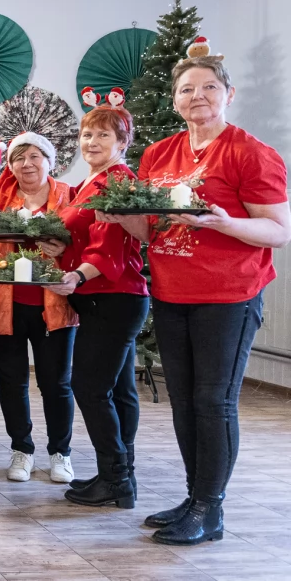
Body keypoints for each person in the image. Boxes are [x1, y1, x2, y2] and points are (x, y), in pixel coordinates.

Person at [117, 48, 290, 544]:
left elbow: (279, 231)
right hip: (172, 292)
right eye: (188, 89)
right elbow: (150, 232)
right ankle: (195, 496)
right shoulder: (159, 154)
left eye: (209, 87)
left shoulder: (249, 152)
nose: (198, 97)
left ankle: (211, 509)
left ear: (228, 94)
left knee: (213, 401)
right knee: (184, 403)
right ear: (175, 100)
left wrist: (223, 222)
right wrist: (120, 216)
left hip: (229, 295)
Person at [41, 97, 148, 512]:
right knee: (119, 390)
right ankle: (119, 476)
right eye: (88, 133)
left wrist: (76, 274)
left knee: (90, 387)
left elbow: (111, 252)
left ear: (122, 142)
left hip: (113, 297)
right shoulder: (93, 181)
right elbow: (84, 241)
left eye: (104, 134)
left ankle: (116, 479)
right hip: (108, 298)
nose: (92, 141)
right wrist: (60, 249)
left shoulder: (115, 181)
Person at [0, 132, 77, 484]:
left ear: (49, 161)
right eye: (19, 158)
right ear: (11, 166)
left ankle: (60, 453)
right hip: (7, 304)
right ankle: (21, 449)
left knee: (56, 383)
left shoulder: (68, 195)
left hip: (54, 305)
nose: (27, 164)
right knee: (11, 381)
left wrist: (63, 251)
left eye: (35, 156)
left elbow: (82, 242)